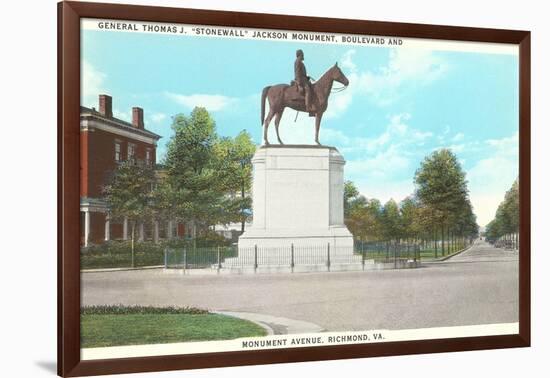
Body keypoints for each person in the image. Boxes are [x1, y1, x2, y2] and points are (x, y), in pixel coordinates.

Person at [294, 49, 316, 116]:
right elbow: (297, 73)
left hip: (303, 79)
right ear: (300, 55)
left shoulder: (300, 62)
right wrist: (299, 84)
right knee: (308, 90)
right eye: (302, 54)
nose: (303, 56)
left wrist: (307, 77)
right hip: (301, 80)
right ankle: (308, 108)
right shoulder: (298, 62)